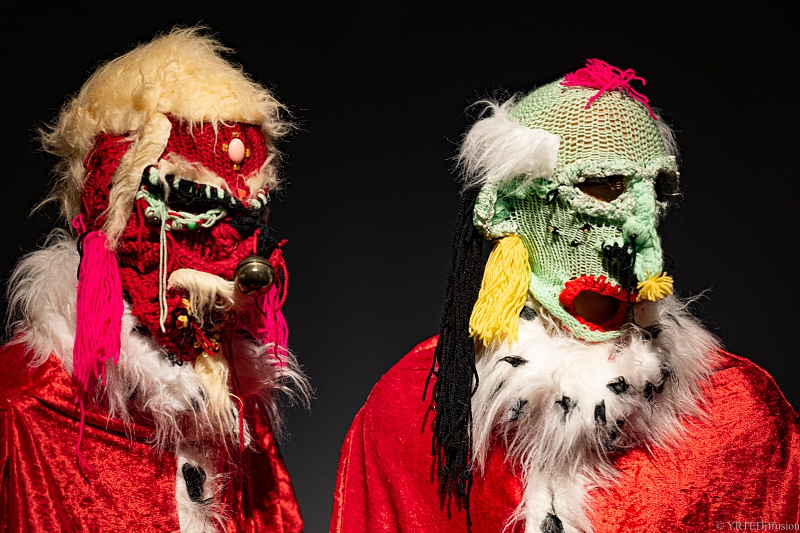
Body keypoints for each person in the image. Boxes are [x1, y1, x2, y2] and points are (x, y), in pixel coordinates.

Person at [331, 59, 800, 532]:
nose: (640, 219)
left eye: (658, 188)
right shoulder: (412, 405)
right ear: (508, 208)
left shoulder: (742, 411)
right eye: (601, 185)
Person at [0, 27, 309, 532]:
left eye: (250, 211)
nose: (240, 260)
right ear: (111, 203)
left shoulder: (237, 415)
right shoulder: (25, 405)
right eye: (192, 203)